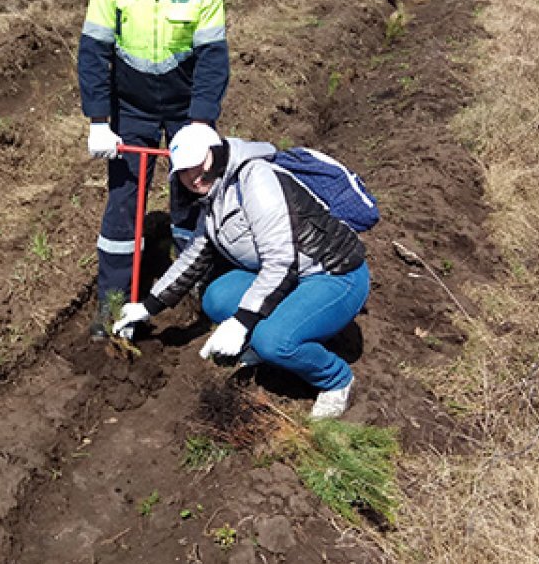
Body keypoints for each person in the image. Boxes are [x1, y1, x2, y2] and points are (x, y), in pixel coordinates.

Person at [112, 125, 370, 420]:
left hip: (334, 274)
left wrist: (243, 321)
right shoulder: (214, 196)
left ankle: (335, 380)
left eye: (198, 164)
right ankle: (282, 328)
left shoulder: (254, 179)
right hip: (293, 276)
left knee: (273, 342)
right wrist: (147, 306)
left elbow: (281, 261)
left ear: (216, 153)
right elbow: (194, 257)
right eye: (184, 171)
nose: (193, 176)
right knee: (217, 298)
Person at [77, 0, 230, 340]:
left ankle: (195, 292)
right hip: (132, 106)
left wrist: (201, 122)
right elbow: (93, 54)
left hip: (186, 107)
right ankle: (112, 305)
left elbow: (213, 59)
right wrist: (99, 120)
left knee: (194, 193)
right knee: (124, 202)